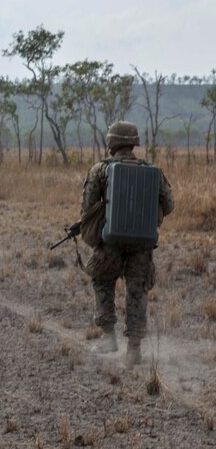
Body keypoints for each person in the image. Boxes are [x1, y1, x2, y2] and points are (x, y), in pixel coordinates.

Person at [82, 121, 173, 364]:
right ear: (134, 142)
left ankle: (109, 337)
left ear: (111, 142)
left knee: (101, 280)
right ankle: (134, 349)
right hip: (142, 245)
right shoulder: (153, 170)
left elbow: (87, 207)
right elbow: (170, 205)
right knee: (137, 291)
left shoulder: (100, 170)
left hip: (109, 242)